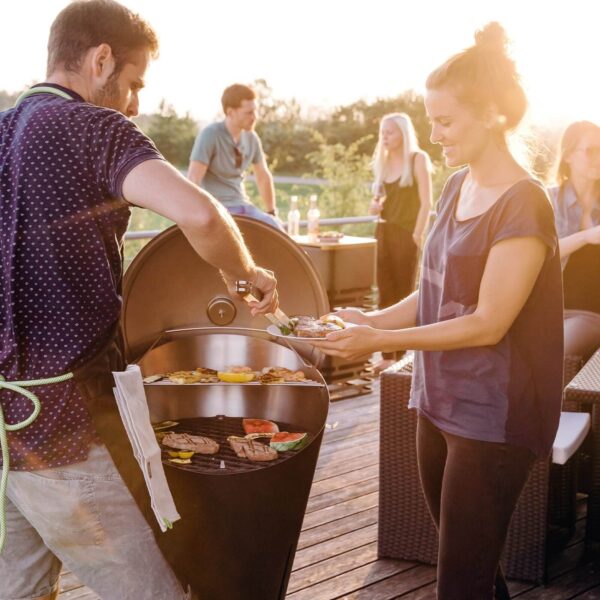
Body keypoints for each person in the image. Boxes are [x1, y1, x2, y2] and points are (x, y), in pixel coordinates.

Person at [0, 2, 278, 599]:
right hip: (62, 429)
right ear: (100, 60)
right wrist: (246, 272)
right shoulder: (93, 128)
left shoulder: (2, 131)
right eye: (132, 83)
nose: (133, 102)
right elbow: (200, 212)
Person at [308, 22, 563, 599]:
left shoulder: (525, 205)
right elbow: (433, 294)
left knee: (459, 585)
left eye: (445, 121)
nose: (434, 133)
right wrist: (369, 321)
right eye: (430, 120)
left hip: (495, 417)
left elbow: (488, 322)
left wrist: (375, 346)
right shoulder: (454, 188)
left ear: (494, 114)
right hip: (436, 398)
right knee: (472, 572)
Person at [369, 112, 432, 371]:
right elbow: (377, 206)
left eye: (390, 132)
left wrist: (417, 235)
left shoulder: (418, 159)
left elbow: (427, 202)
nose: (384, 137)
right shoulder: (381, 163)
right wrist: (374, 207)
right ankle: (387, 356)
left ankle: (403, 357)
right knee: (384, 292)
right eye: (382, 132)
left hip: (406, 235)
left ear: (403, 134)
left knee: (404, 295)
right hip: (382, 232)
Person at [187, 84, 283, 230]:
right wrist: (196, 217)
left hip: (243, 206)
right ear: (230, 112)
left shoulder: (252, 138)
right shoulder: (210, 135)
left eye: (255, 111)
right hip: (217, 209)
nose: (254, 117)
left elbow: (263, 175)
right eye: (248, 113)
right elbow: (194, 178)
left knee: (276, 228)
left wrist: (271, 212)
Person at [548, 120, 600, 361]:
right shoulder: (547, 200)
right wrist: (586, 237)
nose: (598, 157)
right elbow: (538, 255)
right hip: (544, 310)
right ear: (568, 155)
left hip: (590, 314)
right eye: (590, 150)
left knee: (552, 356)